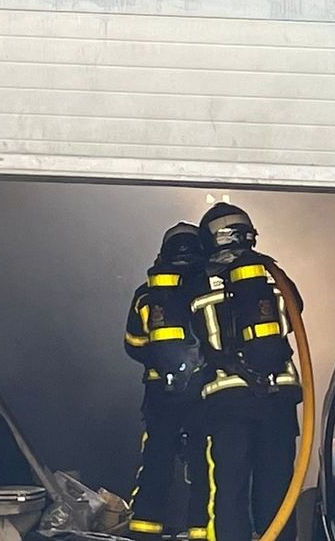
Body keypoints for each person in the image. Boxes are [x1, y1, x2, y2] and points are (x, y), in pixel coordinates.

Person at [192, 203, 303, 541]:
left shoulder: (200, 280)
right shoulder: (272, 274)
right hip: (279, 398)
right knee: (278, 490)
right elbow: (296, 309)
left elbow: (188, 333)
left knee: (230, 490)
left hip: (229, 400)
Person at [124, 222, 213, 540]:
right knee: (204, 463)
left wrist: (161, 363)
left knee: (157, 459)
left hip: (160, 394)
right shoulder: (210, 287)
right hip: (202, 392)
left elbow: (133, 344)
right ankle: (201, 530)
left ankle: (144, 528)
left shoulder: (147, 293)